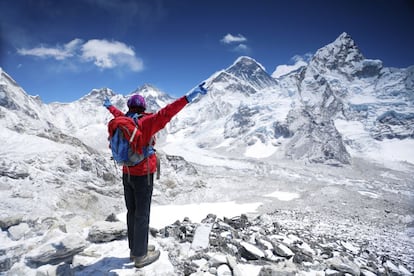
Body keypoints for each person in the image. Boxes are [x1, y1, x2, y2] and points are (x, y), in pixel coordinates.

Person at [103, 83, 207, 268]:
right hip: (144, 175)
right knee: (142, 214)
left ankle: (134, 249)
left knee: (132, 212)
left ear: (130, 107)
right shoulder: (147, 122)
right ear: (144, 107)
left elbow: (117, 115)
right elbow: (167, 112)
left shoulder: (125, 120)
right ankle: (141, 256)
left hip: (126, 173)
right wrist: (189, 97)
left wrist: (110, 106)